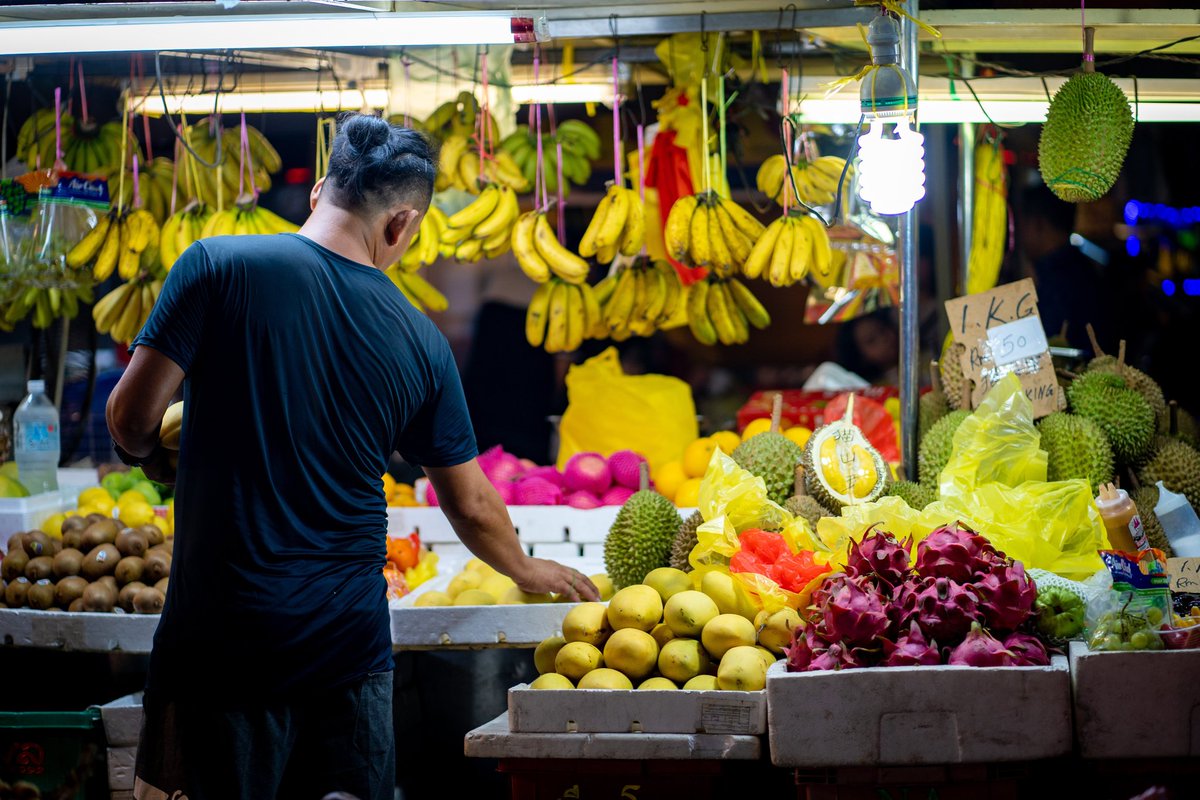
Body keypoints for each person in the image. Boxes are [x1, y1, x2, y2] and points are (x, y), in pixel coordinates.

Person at [106, 114, 597, 800]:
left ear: (319, 192)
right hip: (348, 650)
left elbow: (130, 420)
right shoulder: (420, 341)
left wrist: (160, 455)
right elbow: (469, 501)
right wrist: (525, 567)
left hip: (222, 643)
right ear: (401, 224)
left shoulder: (216, 266)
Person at [1016, 182, 1113, 351]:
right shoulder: (1083, 267)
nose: (1019, 235)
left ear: (1038, 224)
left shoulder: (1056, 280)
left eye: (1022, 224)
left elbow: (1046, 344)